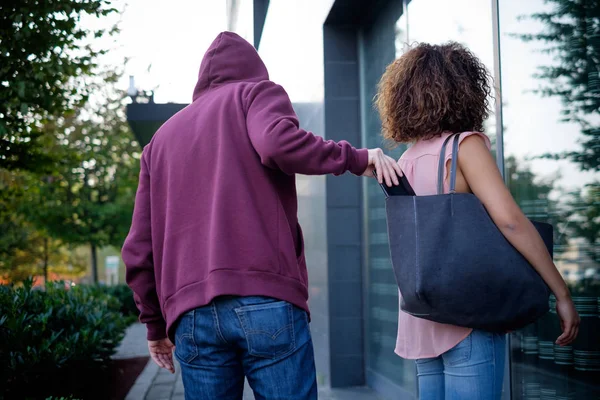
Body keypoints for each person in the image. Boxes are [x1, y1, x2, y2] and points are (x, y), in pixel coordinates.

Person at [122, 31, 402, 400]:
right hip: (265, 297)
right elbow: (276, 143)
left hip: (191, 314)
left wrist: (155, 327)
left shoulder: (158, 143)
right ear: (255, 70)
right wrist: (355, 158)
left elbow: (139, 250)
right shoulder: (256, 93)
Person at [375, 42, 580, 400]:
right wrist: (560, 292)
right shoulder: (465, 146)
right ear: (464, 91)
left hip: (421, 321)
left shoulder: (405, 160)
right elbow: (511, 222)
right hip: (468, 319)